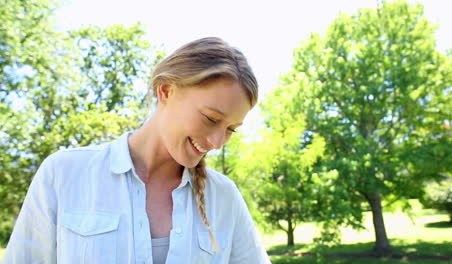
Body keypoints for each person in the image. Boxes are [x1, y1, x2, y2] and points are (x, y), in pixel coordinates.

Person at [3, 37, 271, 263]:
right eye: (211, 119)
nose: (217, 142)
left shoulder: (223, 197)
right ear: (166, 91)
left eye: (231, 129)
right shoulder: (63, 173)